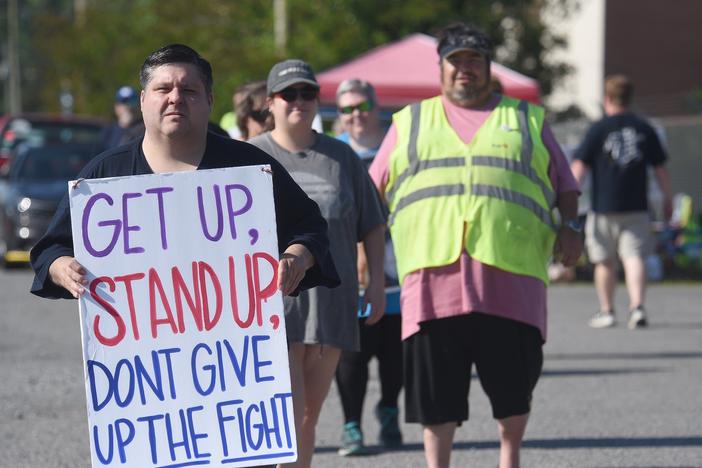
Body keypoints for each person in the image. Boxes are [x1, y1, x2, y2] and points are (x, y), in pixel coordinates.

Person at [368, 23, 581, 468]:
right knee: (435, 398)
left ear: (487, 67)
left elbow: (565, 184)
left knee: (514, 394)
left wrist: (571, 226)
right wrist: (361, 253)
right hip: (431, 282)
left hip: (511, 279)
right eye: (456, 61)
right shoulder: (410, 121)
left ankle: (510, 458)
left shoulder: (526, 119)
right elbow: (373, 194)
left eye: (474, 61)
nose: (465, 69)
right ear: (441, 68)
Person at [30, 43, 339, 344]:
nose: (176, 98)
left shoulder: (251, 168)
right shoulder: (103, 177)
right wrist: (62, 269)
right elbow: (49, 251)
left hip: (235, 354)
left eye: (189, 91)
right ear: (142, 100)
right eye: (163, 89)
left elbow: (311, 228)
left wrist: (298, 257)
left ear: (209, 100)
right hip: (140, 362)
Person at [249, 59, 386, 468]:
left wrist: (376, 283)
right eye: (289, 94)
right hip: (271, 308)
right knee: (287, 415)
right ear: (270, 102)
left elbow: (373, 224)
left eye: (307, 93)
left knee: (309, 417)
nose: (299, 101)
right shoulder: (249, 157)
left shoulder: (341, 157)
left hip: (332, 302)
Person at [333, 78, 404, 456]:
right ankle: (351, 425)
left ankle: (390, 409)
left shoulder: (398, 147)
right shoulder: (332, 151)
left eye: (361, 106)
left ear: (376, 108)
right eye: (346, 108)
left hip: (399, 264)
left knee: (395, 351)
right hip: (348, 269)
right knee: (353, 353)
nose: (355, 114)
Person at [571, 74, 672, 329]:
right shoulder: (645, 128)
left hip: (603, 206)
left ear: (607, 99)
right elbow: (660, 168)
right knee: (634, 256)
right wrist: (668, 198)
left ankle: (607, 310)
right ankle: (637, 307)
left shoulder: (598, 128)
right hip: (637, 204)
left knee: (604, 259)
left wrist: (569, 195)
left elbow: (579, 167)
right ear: (630, 98)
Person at [99, 85, 144, 150]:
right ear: (116, 107)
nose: (128, 106)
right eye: (124, 102)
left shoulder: (145, 131)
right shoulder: (108, 132)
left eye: (132, 101)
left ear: (140, 106)